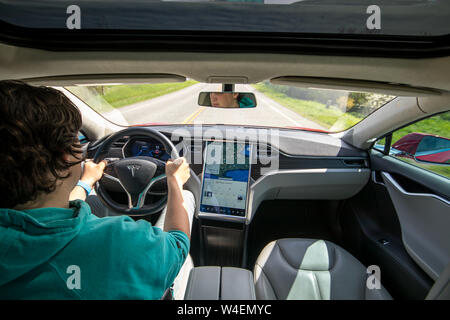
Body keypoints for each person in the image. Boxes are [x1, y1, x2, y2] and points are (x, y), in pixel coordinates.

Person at [0, 80, 194, 299]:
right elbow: (177, 244)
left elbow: (47, 218)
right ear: (67, 155)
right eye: (77, 140)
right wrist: (174, 182)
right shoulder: (123, 242)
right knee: (186, 207)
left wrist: (86, 182)